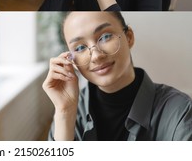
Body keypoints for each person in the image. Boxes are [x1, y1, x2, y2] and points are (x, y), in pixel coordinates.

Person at [42, 12, 192, 140]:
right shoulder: (69, 109)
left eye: (105, 37)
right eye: (80, 48)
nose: (95, 56)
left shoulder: (180, 111)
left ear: (129, 37)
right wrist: (65, 113)